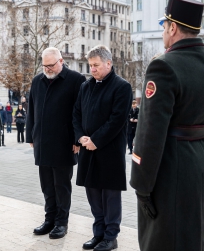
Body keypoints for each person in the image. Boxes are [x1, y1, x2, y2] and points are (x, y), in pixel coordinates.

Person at [129, 0, 204, 250]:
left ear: (172, 27)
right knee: (197, 233)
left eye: (164, 25)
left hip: (170, 166)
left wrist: (141, 184)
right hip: (202, 161)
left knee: (166, 237)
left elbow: (150, 132)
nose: (163, 31)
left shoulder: (163, 66)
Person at [73, 45, 132, 251]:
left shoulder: (121, 87)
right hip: (87, 149)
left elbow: (116, 120)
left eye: (96, 65)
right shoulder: (86, 87)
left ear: (109, 63)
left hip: (109, 151)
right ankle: (98, 234)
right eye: (90, 65)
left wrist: (95, 140)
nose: (92, 69)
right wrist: (80, 136)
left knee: (110, 196)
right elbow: (76, 114)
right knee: (94, 195)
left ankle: (111, 236)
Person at [25, 47, 85, 240]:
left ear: (61, 61)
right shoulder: (37, 81)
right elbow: (31, 111)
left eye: (51, 65)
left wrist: (78, 139)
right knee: (47, 185)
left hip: (65, 142)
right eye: (45, 65)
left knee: (62, 186)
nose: (48, 69)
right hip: (42, 141)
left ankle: (61, 223)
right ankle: (49, 219)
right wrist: (30, 136)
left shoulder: (76, 80)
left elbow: (80, 113)